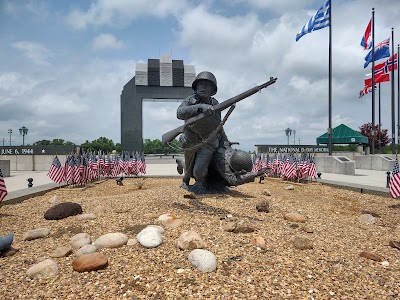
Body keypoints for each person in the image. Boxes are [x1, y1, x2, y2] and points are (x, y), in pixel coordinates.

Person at [177, 71, 229, 191]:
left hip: (208, 141)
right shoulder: (190, 100)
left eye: (207, 85)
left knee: (199, 172)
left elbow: (218, 124)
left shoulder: (215, 104)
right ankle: (186, 180)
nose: (203, 87)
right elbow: (180, 113)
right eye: (200, 84)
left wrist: (225, 140)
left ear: (212, 89)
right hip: (191, 139)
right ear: (196, 87)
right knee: (188, 164)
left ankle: (201, 181)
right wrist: (199, 108)